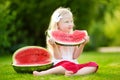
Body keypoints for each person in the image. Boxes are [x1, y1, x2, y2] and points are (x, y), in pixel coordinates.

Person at [33, 7, 98, 76]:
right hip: (60, 64)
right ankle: (43, 73)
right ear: (57, 24)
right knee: (68, 65)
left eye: (71, 21)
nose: (70, 24)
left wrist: (82, 44)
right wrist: (54, 46)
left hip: (73, 64)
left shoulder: (73, 37)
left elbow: (75, 56)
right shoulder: (53, 38)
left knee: (93, 65)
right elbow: (58, 57)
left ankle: (73, 74)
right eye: (66, 22)